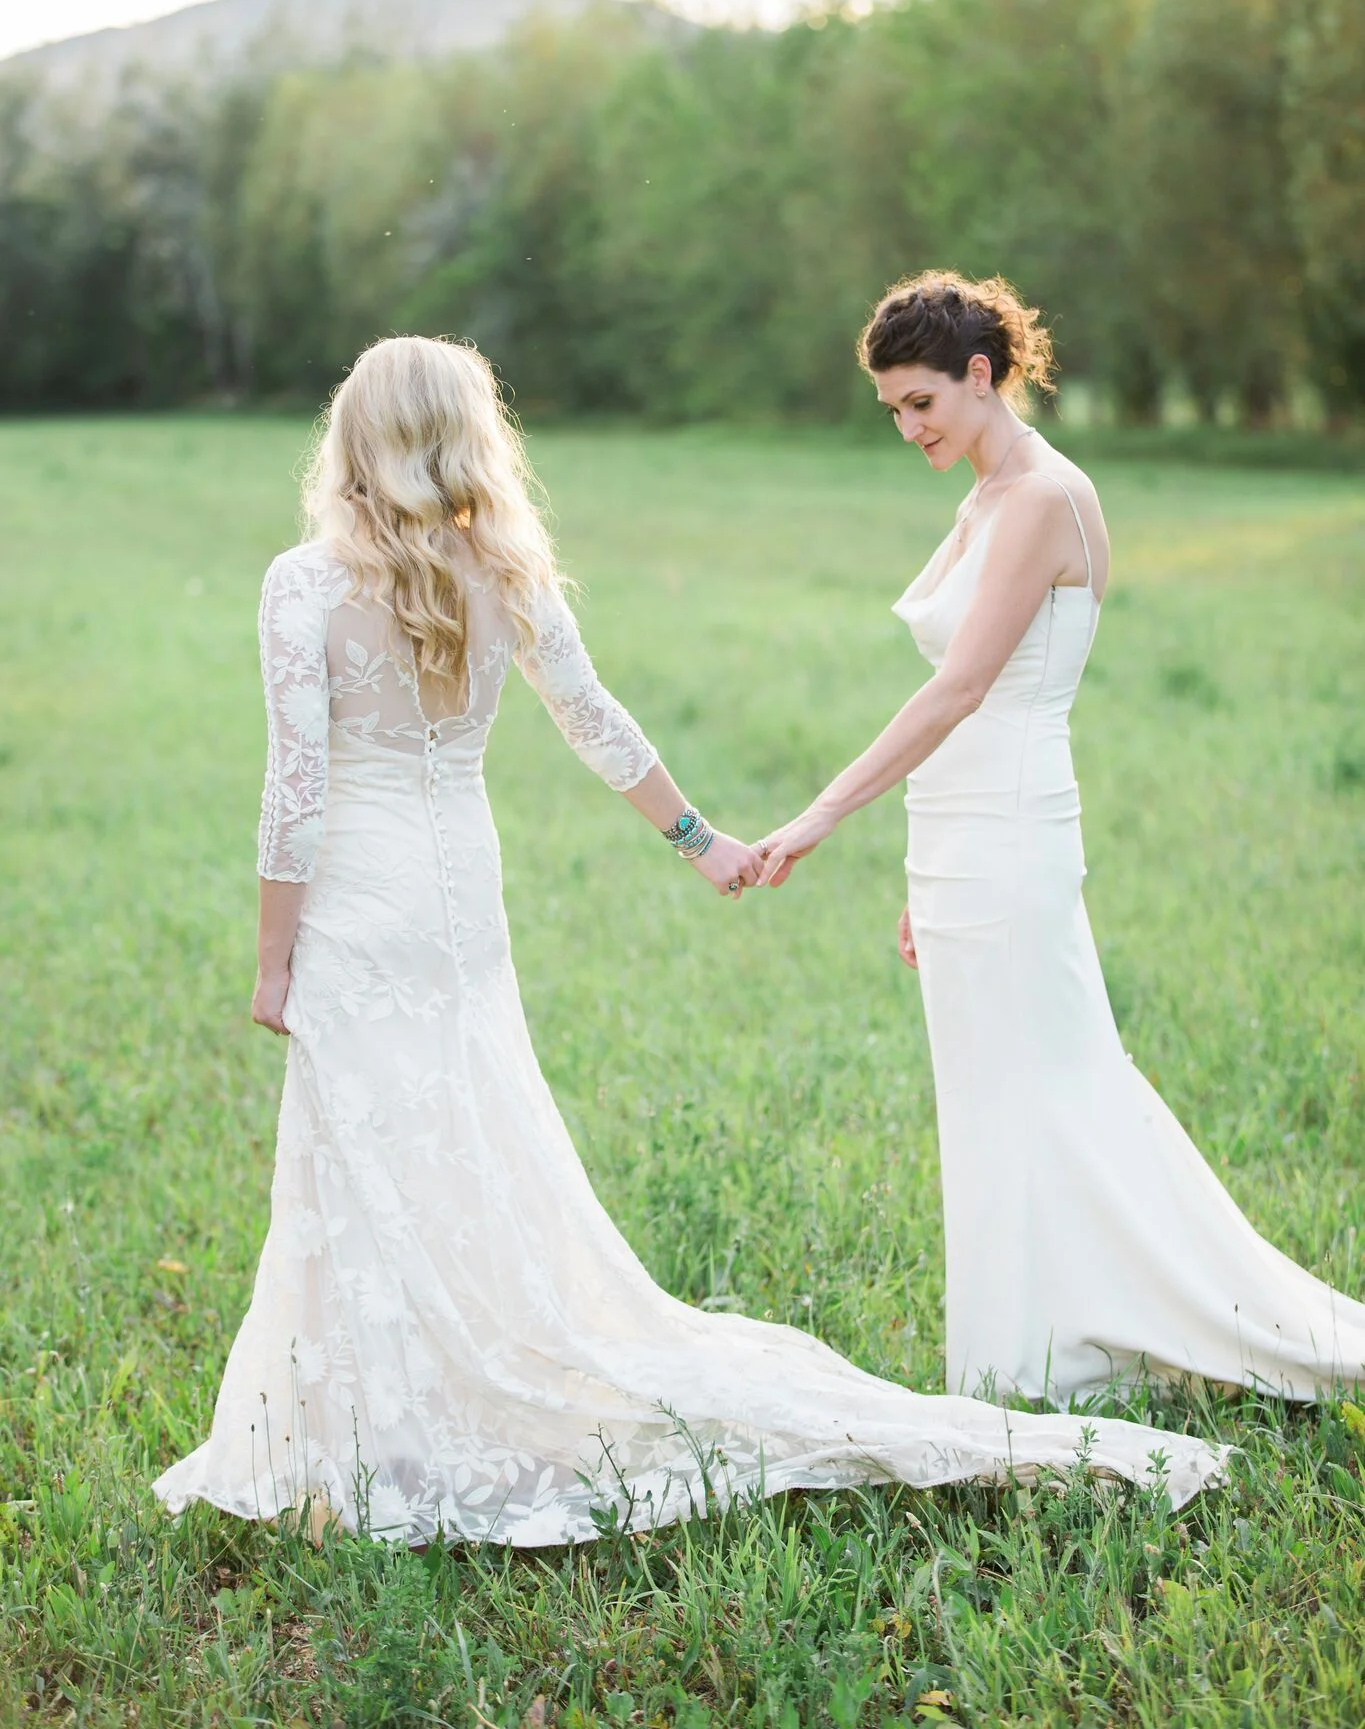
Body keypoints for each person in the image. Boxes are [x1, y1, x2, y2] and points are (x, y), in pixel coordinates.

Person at [153, 335, 1226, 1547]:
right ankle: (412, 1403)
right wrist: (701, 841)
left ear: (353, 436)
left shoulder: (302, 583)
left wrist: (273, 956)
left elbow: (296, 790)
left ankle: (384, 1428)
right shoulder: (505, 569)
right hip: (460, 899)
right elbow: (594, 720)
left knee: (369, 1145)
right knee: (468, 1128)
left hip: (363, 898)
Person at [757, 270, 1365, 1408]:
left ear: (981, 374)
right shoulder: (986, 495)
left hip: (1011, 833)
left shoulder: (1042, 498)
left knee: (1053, 1087)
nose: (908, 427)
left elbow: (962, 691)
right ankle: (1034, 1348)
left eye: (921, 401)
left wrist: (820, 812)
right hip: (965, 839)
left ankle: (1086, 1351)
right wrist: (922, 873)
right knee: (996, 1095)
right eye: (892, 409)